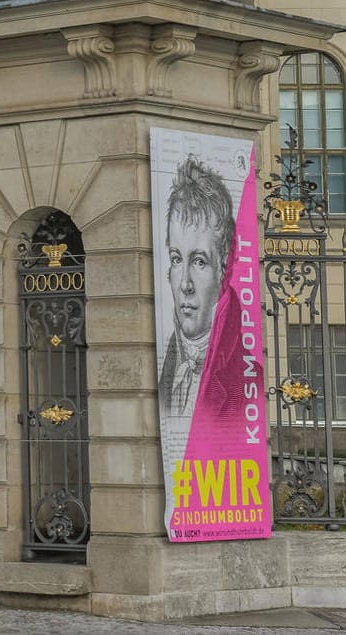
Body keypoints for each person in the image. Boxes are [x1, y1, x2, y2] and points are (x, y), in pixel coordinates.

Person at [157, 156, 235, 486]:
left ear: (224, 266)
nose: (184, 283)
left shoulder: (243, 379)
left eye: (199, 261)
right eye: (177, 259)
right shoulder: (163, 366)